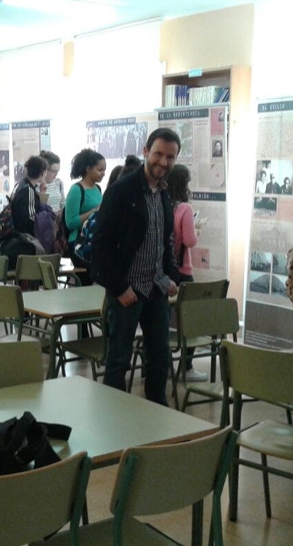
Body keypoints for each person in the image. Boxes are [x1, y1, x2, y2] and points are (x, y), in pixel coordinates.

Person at [91, 128, 181, 405]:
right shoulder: (121, 191)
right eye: (158, 154)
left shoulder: (164, 193)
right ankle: (115, 418)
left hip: (156, 289)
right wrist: (119, 288)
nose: (163, 162)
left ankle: (156, 415)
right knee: (119, 360)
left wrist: (170, 276)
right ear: (145, 151)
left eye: (170, 157)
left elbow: (165, 240)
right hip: (126, 292)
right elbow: (100, 247)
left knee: (159, 359)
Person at [166, 164, 207, 382]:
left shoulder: (162, 203)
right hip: (183, 270)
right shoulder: (185, 209)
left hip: (164, 270)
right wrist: (196, 229)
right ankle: (187, 367)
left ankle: (161, 366)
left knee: (163, 319)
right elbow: (190, 241)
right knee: (193, 318)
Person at [65, 148, 105, 285]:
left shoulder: (98, 189)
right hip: (79, 244)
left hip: (94, 241)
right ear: (88, 169)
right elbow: (70, 222)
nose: (103, 174)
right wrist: (94, 211)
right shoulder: (76, 190)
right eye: (100, 170)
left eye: (104, 170)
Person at [10, 155, 47, 237]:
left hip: (18, 234)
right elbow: (31, 219)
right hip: (25, 237)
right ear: (43, 172)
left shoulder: (21, 184)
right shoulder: (28, 190)